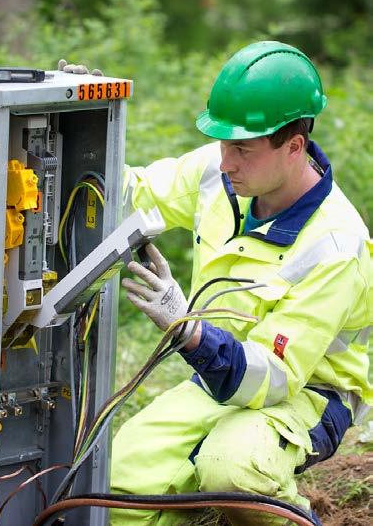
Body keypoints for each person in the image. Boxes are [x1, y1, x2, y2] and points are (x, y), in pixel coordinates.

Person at [62, 40, 372, 526]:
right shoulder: (222, 171)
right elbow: (127, 197)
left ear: (294, 146)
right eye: (224, 143)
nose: (225, 162)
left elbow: (273, 379)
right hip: (219, 375)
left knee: (232, 469)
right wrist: (84, 125)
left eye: (242, 149)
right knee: (115, 489)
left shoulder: (335, 245)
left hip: (308, 395)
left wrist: (189, 332)